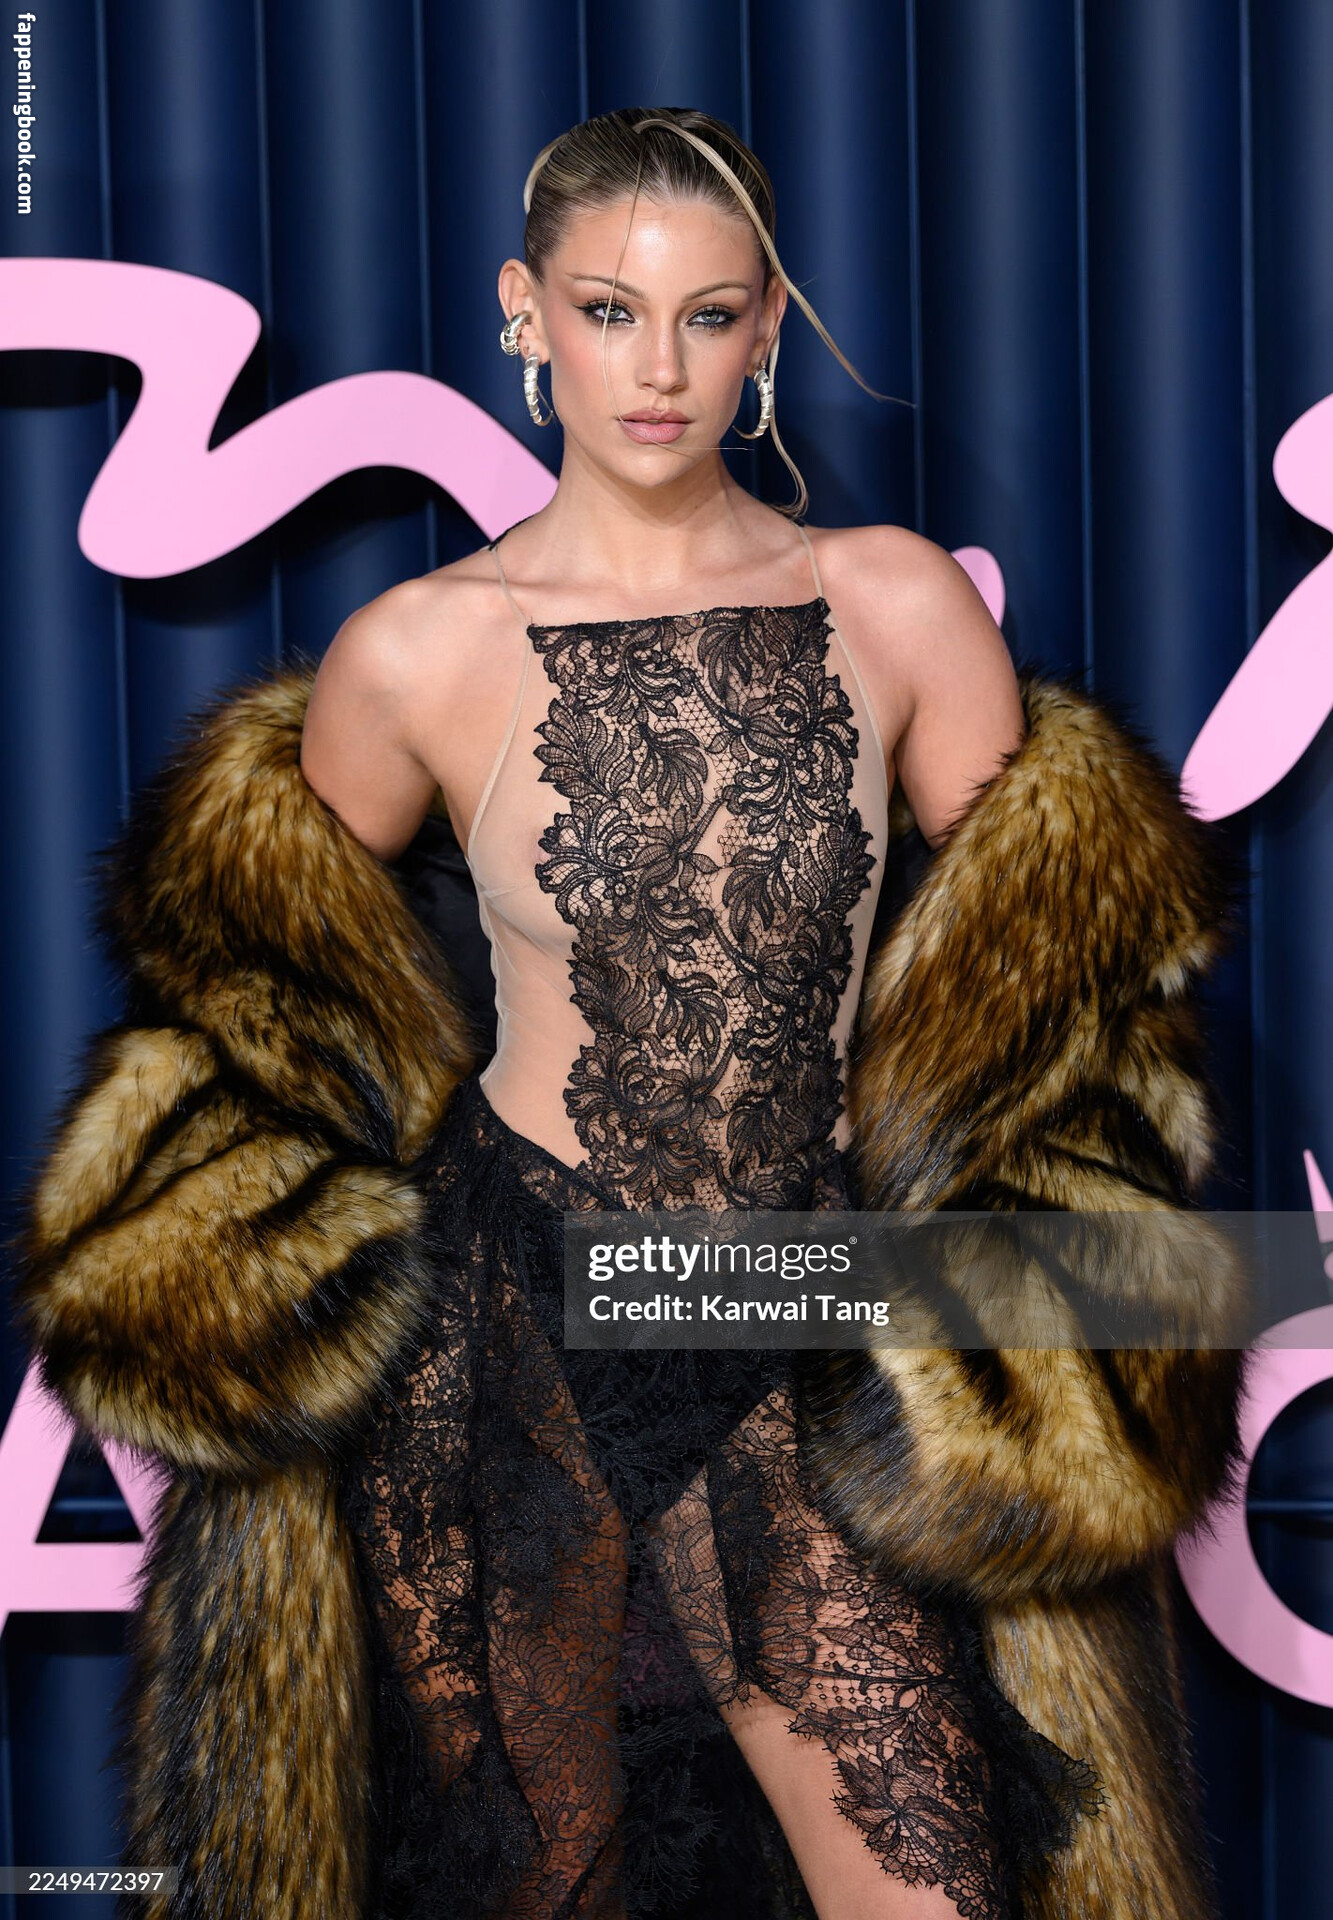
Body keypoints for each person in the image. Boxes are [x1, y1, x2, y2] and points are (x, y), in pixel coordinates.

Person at [14, 108, 1250, 1920]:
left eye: (705, 315)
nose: (656, 369)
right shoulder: (413, 650)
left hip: (795, 1310)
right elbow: (276, 1016)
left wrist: (1078, 1274)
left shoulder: (893, 602)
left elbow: (1040, 1021)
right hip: (510, 1333)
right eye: (608, 311)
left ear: (766, 329)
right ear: (524, 312)